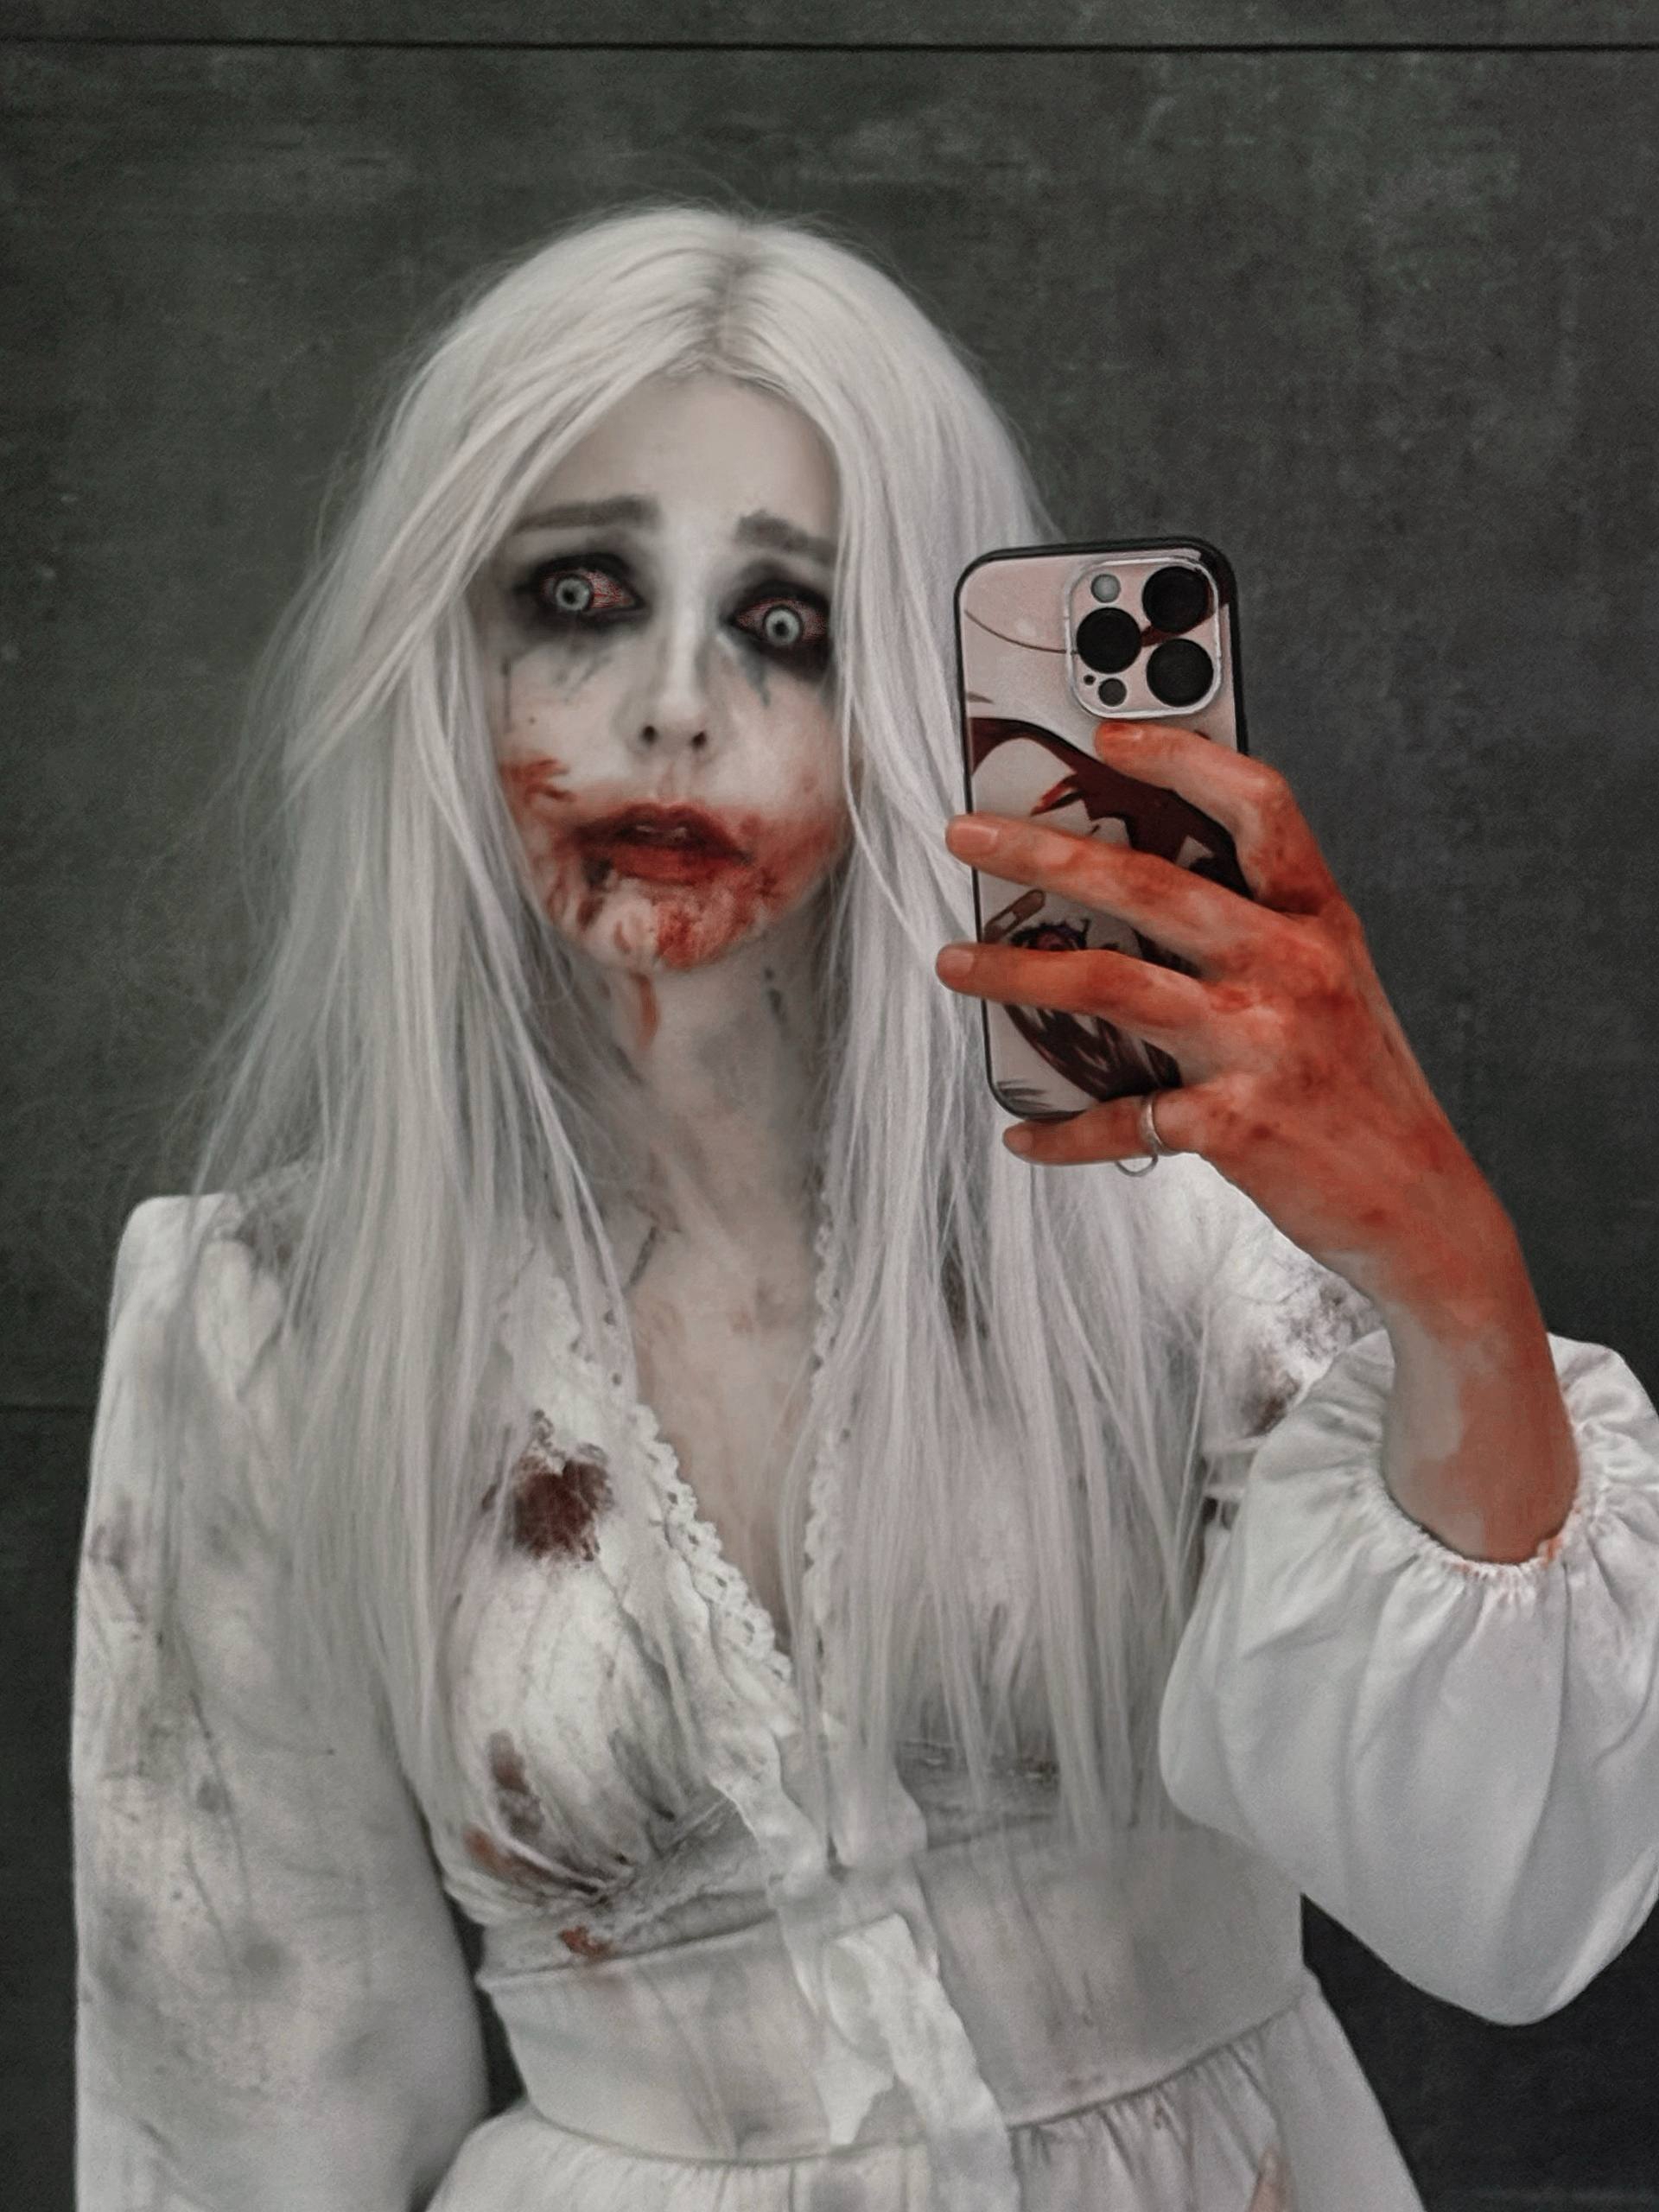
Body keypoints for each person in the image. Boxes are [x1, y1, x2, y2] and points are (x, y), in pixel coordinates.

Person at [71, 201, 1659, 2212]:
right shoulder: (270, 1323)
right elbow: (237, 2100)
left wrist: (1445, 1273)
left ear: (918, 688)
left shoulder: (1157, 1212)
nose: (671, 704)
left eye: (787, 622)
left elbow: (1506, 1902)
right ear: (449, 653)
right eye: (579, 593)